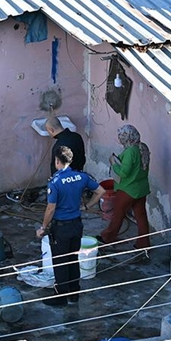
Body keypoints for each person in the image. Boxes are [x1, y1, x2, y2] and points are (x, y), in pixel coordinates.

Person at [36, 146, 105, 306]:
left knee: (61, 262)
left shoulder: (55, 182)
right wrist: (87, 206)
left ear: (57, 161)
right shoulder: (82, 176)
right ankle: (74, 294)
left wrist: (43, 227)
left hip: (61, 228)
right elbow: (101, 191)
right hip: (76, 225)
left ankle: (60, 297)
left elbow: (51, 208)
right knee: (73, 259)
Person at [98, 124, 151, 249]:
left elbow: (123, 173)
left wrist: (113, 163)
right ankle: (144, 244)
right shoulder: (143, 147)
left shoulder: (130, 152)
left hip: (128, 189)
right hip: (141, 188)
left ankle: (107, 237)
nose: (120, 140)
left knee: (118, 214)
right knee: (141, 217)